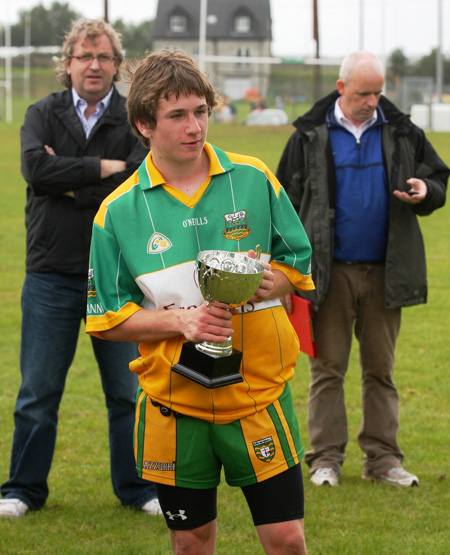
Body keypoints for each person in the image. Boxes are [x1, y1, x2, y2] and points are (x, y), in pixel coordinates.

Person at [85, 50, 314, 554]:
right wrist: (182, 323)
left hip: (257, 393)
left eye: (201, 111)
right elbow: (106, 319)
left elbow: (297, 264)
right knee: (190, 542)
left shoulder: (253, 178)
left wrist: (266, 282)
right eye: (178, 115)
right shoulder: (117, 211)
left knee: (287, 538)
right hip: (175, 404)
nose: (195, 127)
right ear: (145, 123)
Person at [0, 19, 160, 519]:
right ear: (66, 63)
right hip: (51, 272)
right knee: (38, 392)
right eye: (84, 56)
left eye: (104, 57)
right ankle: (22, 489)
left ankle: (138, 489)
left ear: (117, 65)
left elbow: (138, 179)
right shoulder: (40, 113)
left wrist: (68, 178)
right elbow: (35, 170)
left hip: (117, 273)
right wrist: (103, 168)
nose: (94, 65)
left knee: (127, 391)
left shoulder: (135, 118)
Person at [276, 51, 448, 489]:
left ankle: (384, 460)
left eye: (378, 92)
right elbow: (283, 201)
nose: (372, 101)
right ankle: (325, 460)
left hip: (386, 272)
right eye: (363, 93)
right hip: (328, 274)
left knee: (381, 371)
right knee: (327, 370)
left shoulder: (404, 132)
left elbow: (439, 180)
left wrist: (425, 189)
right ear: (341, 89)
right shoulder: (308, 135)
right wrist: (284, 269)